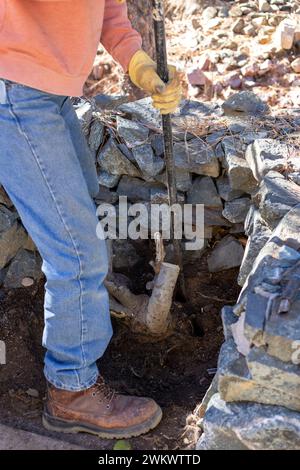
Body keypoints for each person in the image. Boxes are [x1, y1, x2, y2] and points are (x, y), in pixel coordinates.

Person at [0, 0, 181, 438]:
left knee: (83, 218)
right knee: (77, 252)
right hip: (14, 87)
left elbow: (105, 11)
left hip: (51, 91)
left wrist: (137, 61)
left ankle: (75, 341)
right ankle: (72, 389)